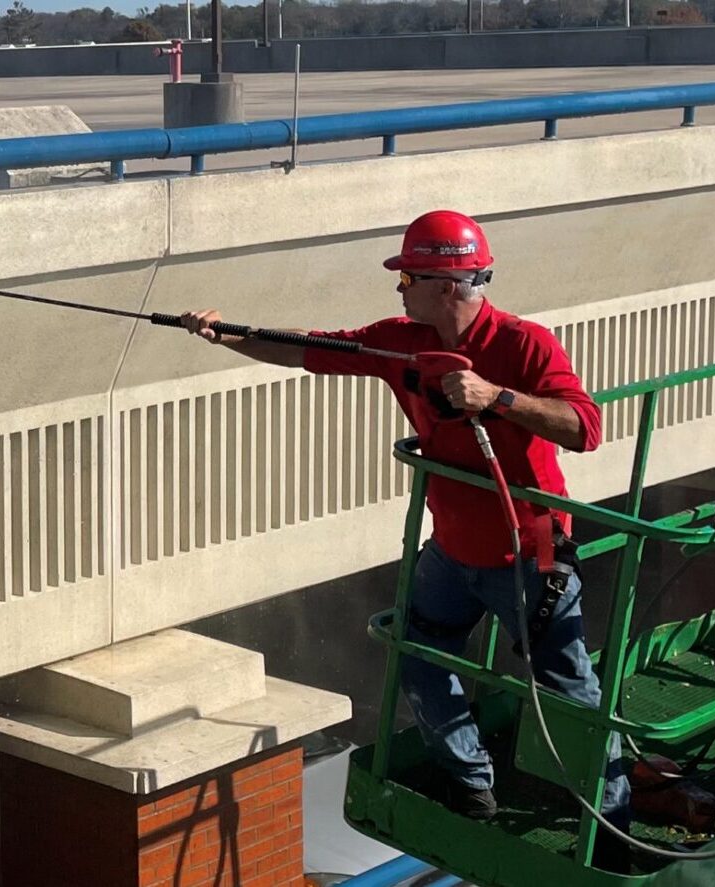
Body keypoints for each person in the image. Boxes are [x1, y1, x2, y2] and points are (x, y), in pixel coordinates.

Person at [180, 210, 630, 838]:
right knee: (416, 654)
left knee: (566, 686)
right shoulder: (401, 341)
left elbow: (585, 427)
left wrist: (495, 397)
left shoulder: (523, 345)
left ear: (448, 285)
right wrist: (227, 335)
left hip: (531, 550)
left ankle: (611, 815)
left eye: (408, 277)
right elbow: (312, 347)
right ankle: (473, 786)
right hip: (451, 550)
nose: (399, 288)